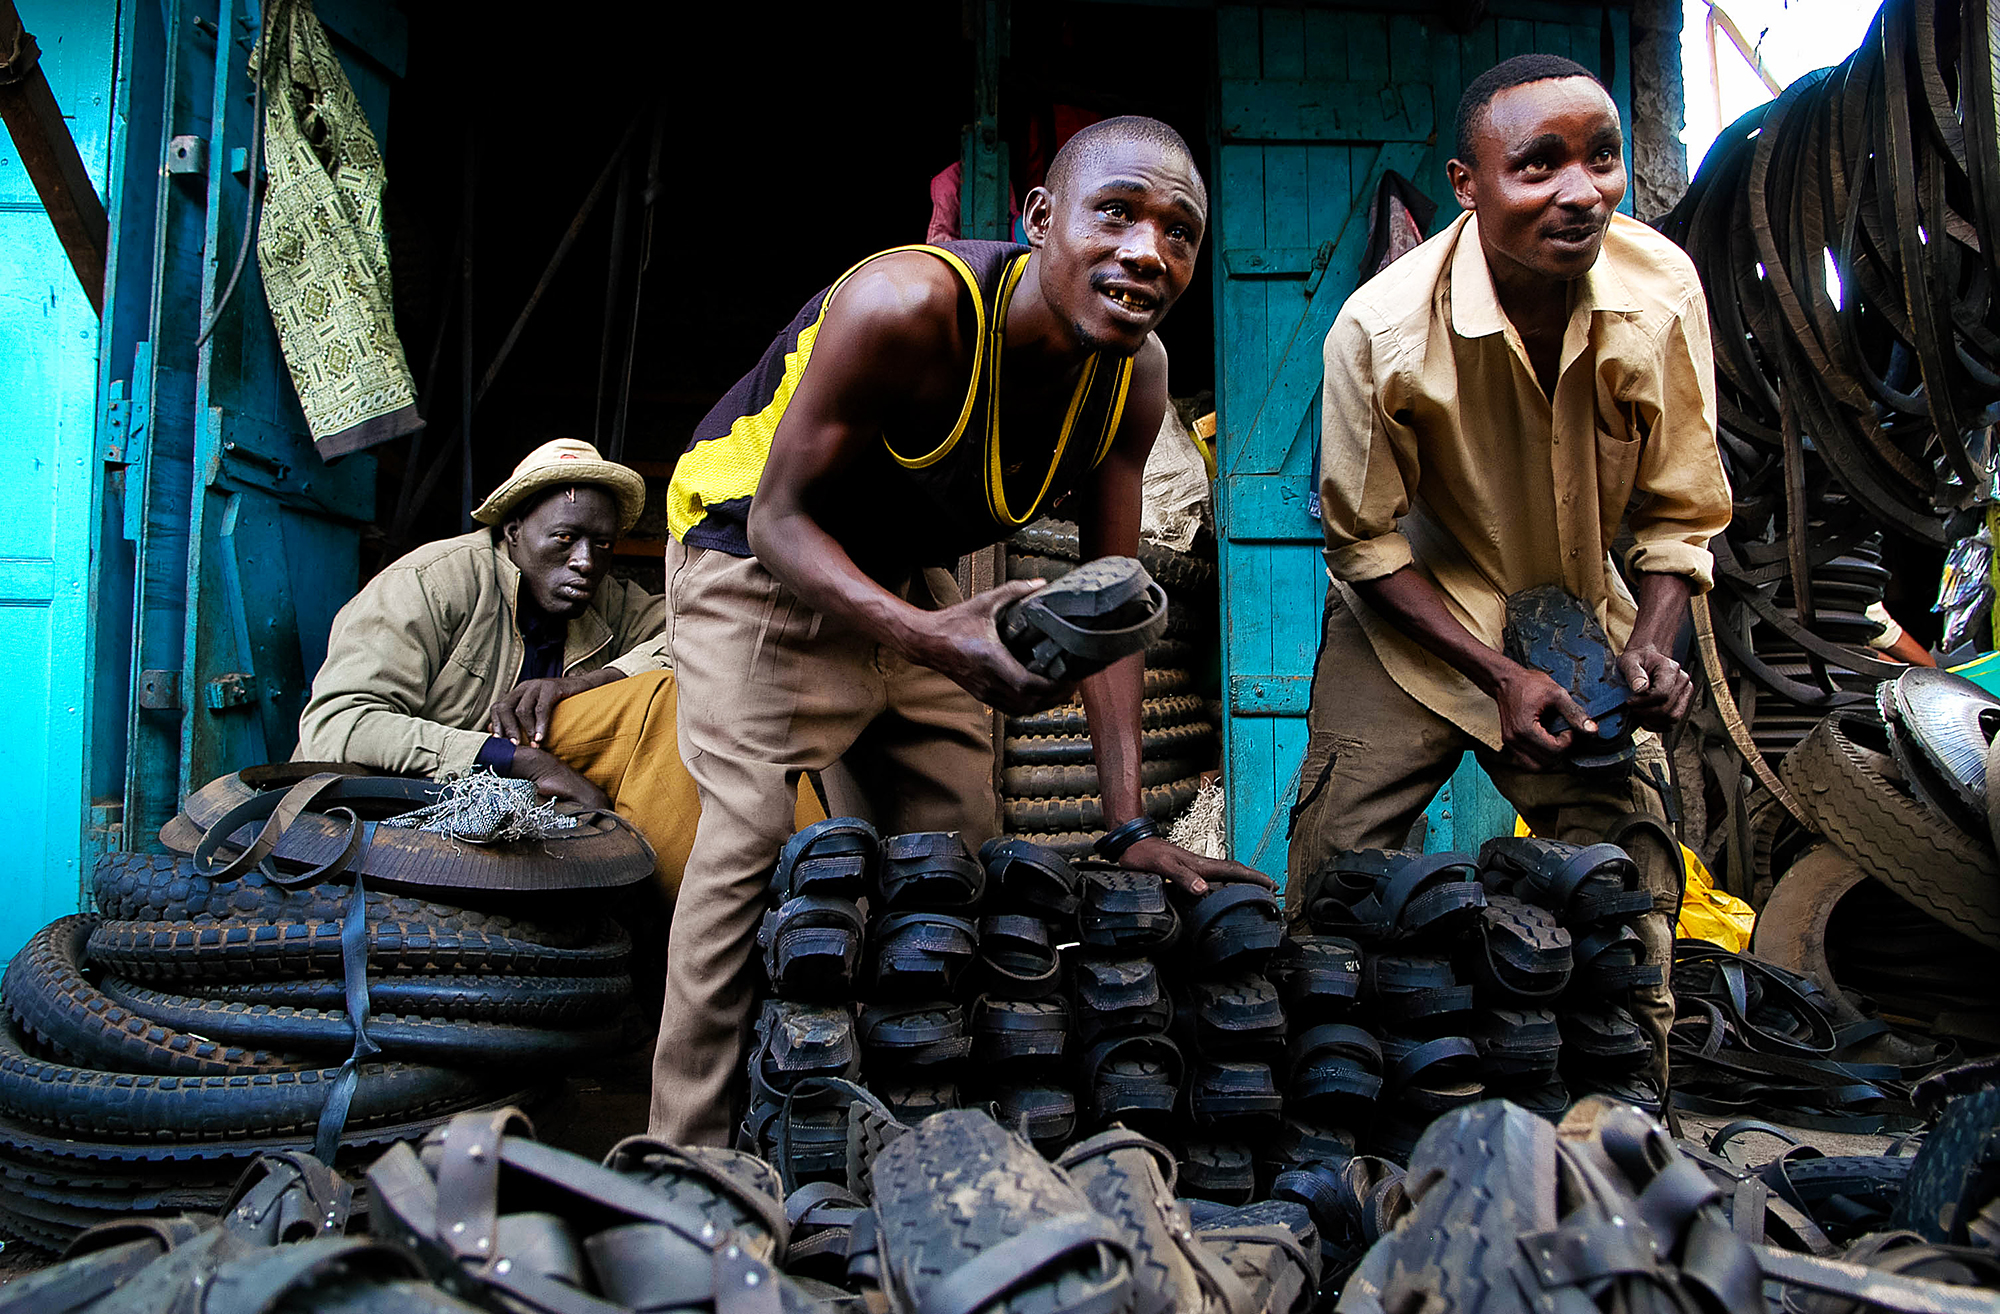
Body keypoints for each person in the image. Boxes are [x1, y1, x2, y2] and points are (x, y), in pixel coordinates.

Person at [652, 115, 1272, 1146]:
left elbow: (1111, 595)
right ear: (1038, 218)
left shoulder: (1135, 377)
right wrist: (934, 639)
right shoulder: (906, 304)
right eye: (1115, 213)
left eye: (1177, 232)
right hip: (752, 552)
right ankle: (683, 1161)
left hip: (906, 572)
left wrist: (1126, 828)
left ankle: (901, 1130)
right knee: (752, 841)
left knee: (950, 851)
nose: (1144, 253)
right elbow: (778, 517)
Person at [1286, 55, 1732, 1102]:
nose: (1579, 191)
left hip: (1570, 617)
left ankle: (1631, 1118)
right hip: (1412, 626)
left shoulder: (1659, 290)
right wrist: (1492, 675)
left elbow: (1681, 511)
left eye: (1600, 159)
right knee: (1335, 878)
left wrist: (1651, 643)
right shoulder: (1381, 331)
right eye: (1537, 165)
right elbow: (1363, 546)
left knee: (1628, 881)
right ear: (1466, 183)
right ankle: (1327, 1117)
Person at [297, 438, 797, 893]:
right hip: (389, 819)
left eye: (601, 545)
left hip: (518, 829)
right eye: (564, 538)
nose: (585, 561)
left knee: (672, 699)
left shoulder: (610, 602)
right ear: (513, 532)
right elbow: (338, 724)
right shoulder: (433, 582)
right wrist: (518, 762)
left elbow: (702, 634)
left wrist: (587, 681)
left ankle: (790, 873)